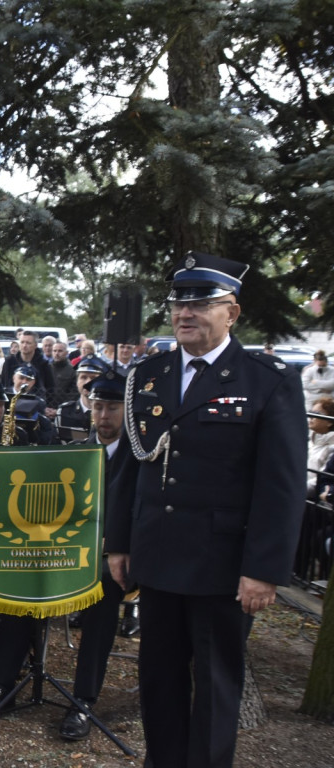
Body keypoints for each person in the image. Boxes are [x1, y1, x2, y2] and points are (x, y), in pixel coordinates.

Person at [106, 251, 307, 768]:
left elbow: (280, 486)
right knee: (159, 678)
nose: (185, 314)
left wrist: (263, 570)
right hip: (158, 555)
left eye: (201, 304)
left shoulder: (266, 379)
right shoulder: (149, 374)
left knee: (217, 685)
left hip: (222, 564)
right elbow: (135, 465)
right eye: (177, 304)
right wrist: (120, 543)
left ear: (232, 313)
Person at [59, 371, 128, 740]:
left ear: (126, 409)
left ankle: (82, 700)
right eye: (98, 406)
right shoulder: (76, 452)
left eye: (112, 407)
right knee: (21, 576)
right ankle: (0, 684)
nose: (103, 415)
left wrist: (114, 543)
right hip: (71, 552)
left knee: (101, 592)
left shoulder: (140, 457)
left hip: (114, 559)